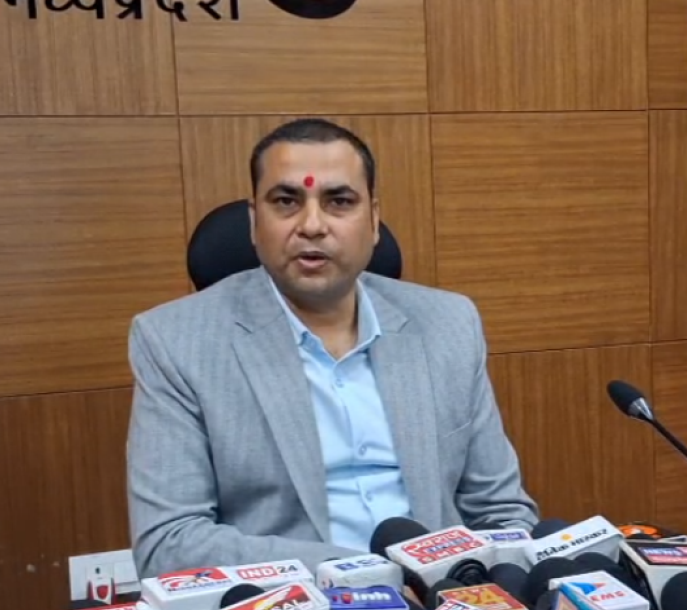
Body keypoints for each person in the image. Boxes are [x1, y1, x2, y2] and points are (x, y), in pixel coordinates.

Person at [125, 118, 539, 578]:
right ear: (254, 221)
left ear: (374, 220)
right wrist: (365, 574)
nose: (312, 225)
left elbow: (501, 512)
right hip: (290, 608)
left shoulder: (447, 324)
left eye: (339, 201)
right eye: (286, 202)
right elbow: (169, 543)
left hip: (447, 595)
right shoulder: (176, 341)